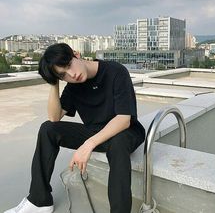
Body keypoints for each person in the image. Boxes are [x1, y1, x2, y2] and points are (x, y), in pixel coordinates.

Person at [4, 43, 145, 213]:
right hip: (95, 132)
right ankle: (39, 200)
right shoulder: (73, 86)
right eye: (64, 75)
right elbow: (54, 117)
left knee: (118, 143)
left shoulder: (115, 71)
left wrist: (88, 145)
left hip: (125, 132)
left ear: (76, 55)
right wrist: (54, 82)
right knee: (48, 129)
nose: (72, 75)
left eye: (69, 65)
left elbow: (124, 119)